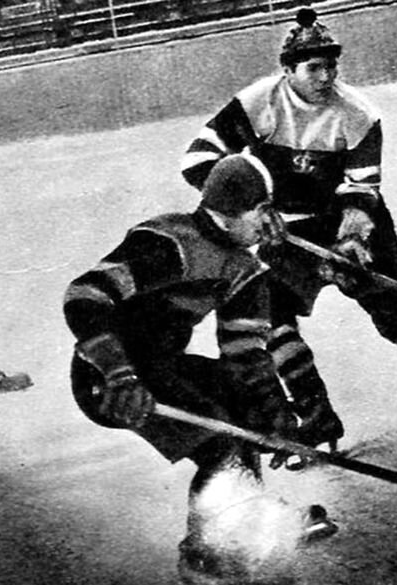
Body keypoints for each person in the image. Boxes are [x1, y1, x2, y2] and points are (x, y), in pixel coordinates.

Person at [180, 9, 397, 456]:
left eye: (331, 66)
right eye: (313, 68)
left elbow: (361, 189)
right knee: (271, 316)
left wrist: (351, 240)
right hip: (287, 233)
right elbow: (198, 160)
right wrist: (252, 207)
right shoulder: (259, 101)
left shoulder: (357, 113)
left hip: (352, 223)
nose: (326, 77)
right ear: (287, 70)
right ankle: (316, 416)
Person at [65, 154, 337, 585]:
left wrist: (274, 412)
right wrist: (118, 373)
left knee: (245, 415)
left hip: (163, 368)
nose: (271, 222)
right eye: (261, 210)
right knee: (220, 446)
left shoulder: (245, 270)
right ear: (227, 215)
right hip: (107, 377)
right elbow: (84, 295)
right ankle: (206, 556)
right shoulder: (170, 243)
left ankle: (242, 524)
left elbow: (244, 352)